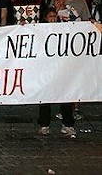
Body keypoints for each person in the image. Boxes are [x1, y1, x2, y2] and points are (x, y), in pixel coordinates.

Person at [37, 9, 76, 139]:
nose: (53, 19)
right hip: (47, 70)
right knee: (45, 98)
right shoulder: (40, 31)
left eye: (54, 16)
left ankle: (68, 124)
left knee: (65, 97)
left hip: (60, 69)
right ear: (45, 18)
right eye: (50, 16)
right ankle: (44, 125)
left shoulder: (63, 30)